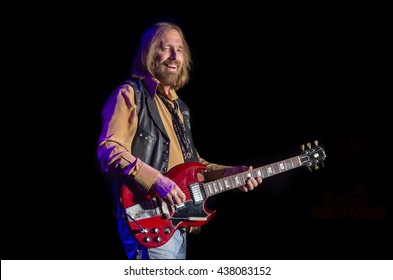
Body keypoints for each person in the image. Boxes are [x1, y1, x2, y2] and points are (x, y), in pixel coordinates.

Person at [97, 21, 263, 260]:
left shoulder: (179, 108)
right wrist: (157, 182)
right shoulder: (129, 94)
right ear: (148, 53)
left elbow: (195, 164)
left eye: (180, 49)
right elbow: (108, 151)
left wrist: (232, 173)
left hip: (177, 225)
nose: (174, 56)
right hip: (148, 219)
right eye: (165, 48)